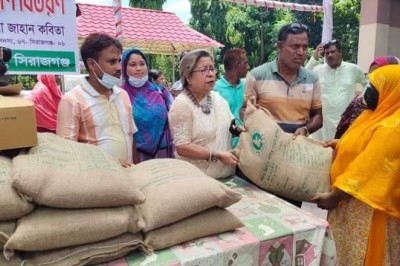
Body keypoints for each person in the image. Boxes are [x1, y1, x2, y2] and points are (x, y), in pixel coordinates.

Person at [311, 65, 400, 265]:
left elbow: (367, 167)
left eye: (372, 87)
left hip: (368, 211)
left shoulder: (394, 127)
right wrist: (340, 144)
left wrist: (334, 196)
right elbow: (363, 144)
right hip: (350, 206)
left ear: (391, 92)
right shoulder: (372, 116)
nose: (365, 91)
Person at [243, 23, 322, 207]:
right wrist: (258, 122)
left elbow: (318, 117)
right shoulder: (257, 75)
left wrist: (304, 129)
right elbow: (244, 109)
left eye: (304, 47)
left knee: (291, 209)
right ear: (279, 46)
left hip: (294, 156)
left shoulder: (312, 79)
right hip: (263, 154)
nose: (301, 52)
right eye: (295, 46)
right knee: (259, 208)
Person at [57, 33, 138, 167]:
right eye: (112, 61)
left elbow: (130, 137)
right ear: (92, 64)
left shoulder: (122, 95)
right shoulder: (72, 101)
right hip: (96, 182)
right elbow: (66, 153)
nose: (119, 67)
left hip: (128, 179)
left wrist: (136, 168)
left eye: (119, 60)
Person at [169, 49, 242, 179]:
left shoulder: (217, 98)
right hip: (196, 178)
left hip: (225, 174)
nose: (211, 74)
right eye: (203, 70)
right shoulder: (182, 105)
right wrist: (217, 155)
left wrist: (237, 130)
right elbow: (182, 147)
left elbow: (228, 125)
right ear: (188, 77)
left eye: (212, 69)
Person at [305, 40, 367, 140]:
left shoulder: (353, 69)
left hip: (345, 120)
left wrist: (362, 102)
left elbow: (367, 83)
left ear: (340, 53)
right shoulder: (318, 70)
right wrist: (313, 58)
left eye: (333, 52)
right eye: (327, 53)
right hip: (323, 123)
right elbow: (303, 79)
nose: (330, 55)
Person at [120, 48, 174, 162]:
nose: (138, 68)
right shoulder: (119, 94)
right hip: (135, 155)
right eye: (133, 65)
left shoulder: (160, 91)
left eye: (142, 64)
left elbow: (174, 117)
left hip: (163, 152)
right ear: (124, 68)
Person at [335, 55, 400, 139]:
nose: (372, 80)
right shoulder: (360, 101)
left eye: (378, 75)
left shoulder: (394, 120)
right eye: (370, 75)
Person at [214, 48, 249, 148]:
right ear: (237, 64)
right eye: (245, 63)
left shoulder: (247, 86)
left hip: (246, 145)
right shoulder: (215, 90)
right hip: (225, 146)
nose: (248, 67)